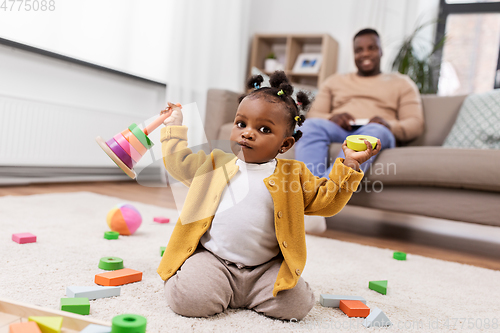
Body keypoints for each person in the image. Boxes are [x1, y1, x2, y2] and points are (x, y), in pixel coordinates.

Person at [157, 71, 381, 320]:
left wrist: (349, 164)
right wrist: (174, 127)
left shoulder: (294, 174)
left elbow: (326, 201)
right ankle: (212, 285)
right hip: (215, 261)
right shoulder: (214, 163)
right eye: (241, 124)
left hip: (264, 269)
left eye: (263, 129)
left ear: (284, 145)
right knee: (190, 300)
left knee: (297, 306)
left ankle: (244, 294)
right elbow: (179, 162)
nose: (247, 132)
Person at [295, 28, 424, 233]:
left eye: (371, 48)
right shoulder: (335, 81)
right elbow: (315, 116)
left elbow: (415, 124)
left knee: (372, 131)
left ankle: (320, 205)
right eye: (359, 50)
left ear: (381, 51)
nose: (365, 54)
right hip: (340, 129)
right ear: (353, 54)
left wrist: (388, 124)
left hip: (378, 130)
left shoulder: (402, 83)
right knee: (310, 126)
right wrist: (332, 118)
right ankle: (307, 200)